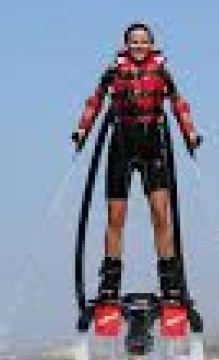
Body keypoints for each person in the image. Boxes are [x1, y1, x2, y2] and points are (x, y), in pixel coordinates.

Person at [73, 22, 200, 303]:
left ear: (151, 45)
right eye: (134, 42)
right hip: (120, 144)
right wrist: (82, 131)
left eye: (143, 41)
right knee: (115, 217)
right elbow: (94, 103)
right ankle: (110, 281)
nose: (139, 46)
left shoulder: (162, 74)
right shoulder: (112, 74)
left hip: (153, 145)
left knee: (160, 214)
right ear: (126, 45)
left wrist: (190, 134)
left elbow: (179, 104)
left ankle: (169, 280)